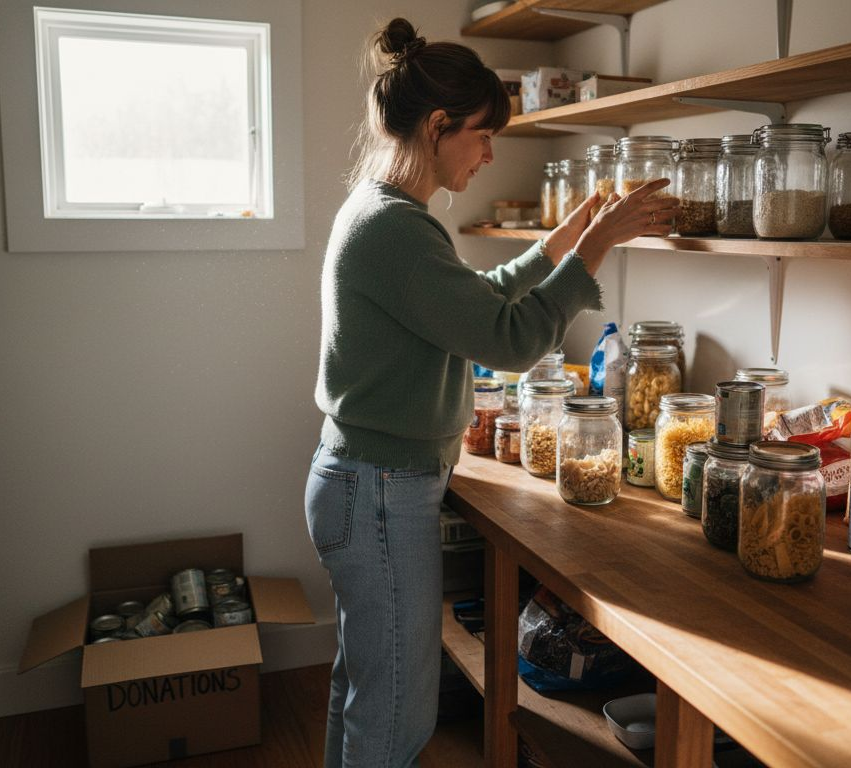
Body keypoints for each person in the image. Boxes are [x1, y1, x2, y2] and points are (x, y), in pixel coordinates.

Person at [304, 17, 678, 768]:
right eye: (482, 135)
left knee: (367, 690)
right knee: (396, 710)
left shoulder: (387, 214)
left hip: (364, 482)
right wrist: (598, 248)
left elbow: (475, 303)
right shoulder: (395, 228)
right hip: (378, 491)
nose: (489, 152)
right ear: (438, 127)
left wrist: (562, 239)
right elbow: (508, 339)